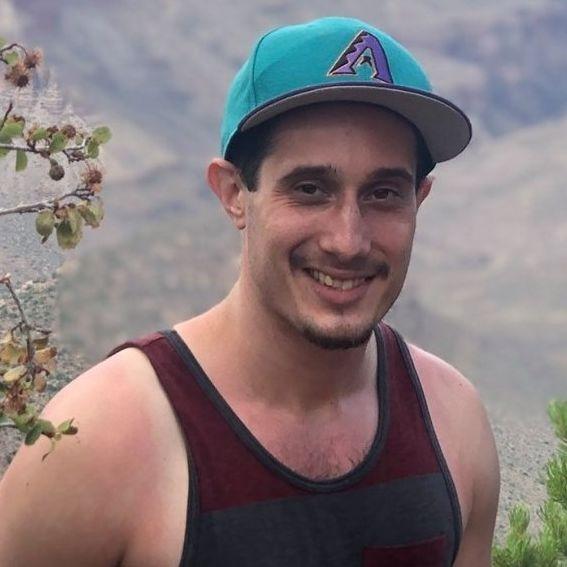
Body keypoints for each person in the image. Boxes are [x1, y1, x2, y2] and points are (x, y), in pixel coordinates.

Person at [0, 16, 499, 566]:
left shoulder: (452, 423)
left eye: (383, 193)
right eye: (310, 189)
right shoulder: (103, 441)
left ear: (419, 199)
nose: (348, 240)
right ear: (234, 193)